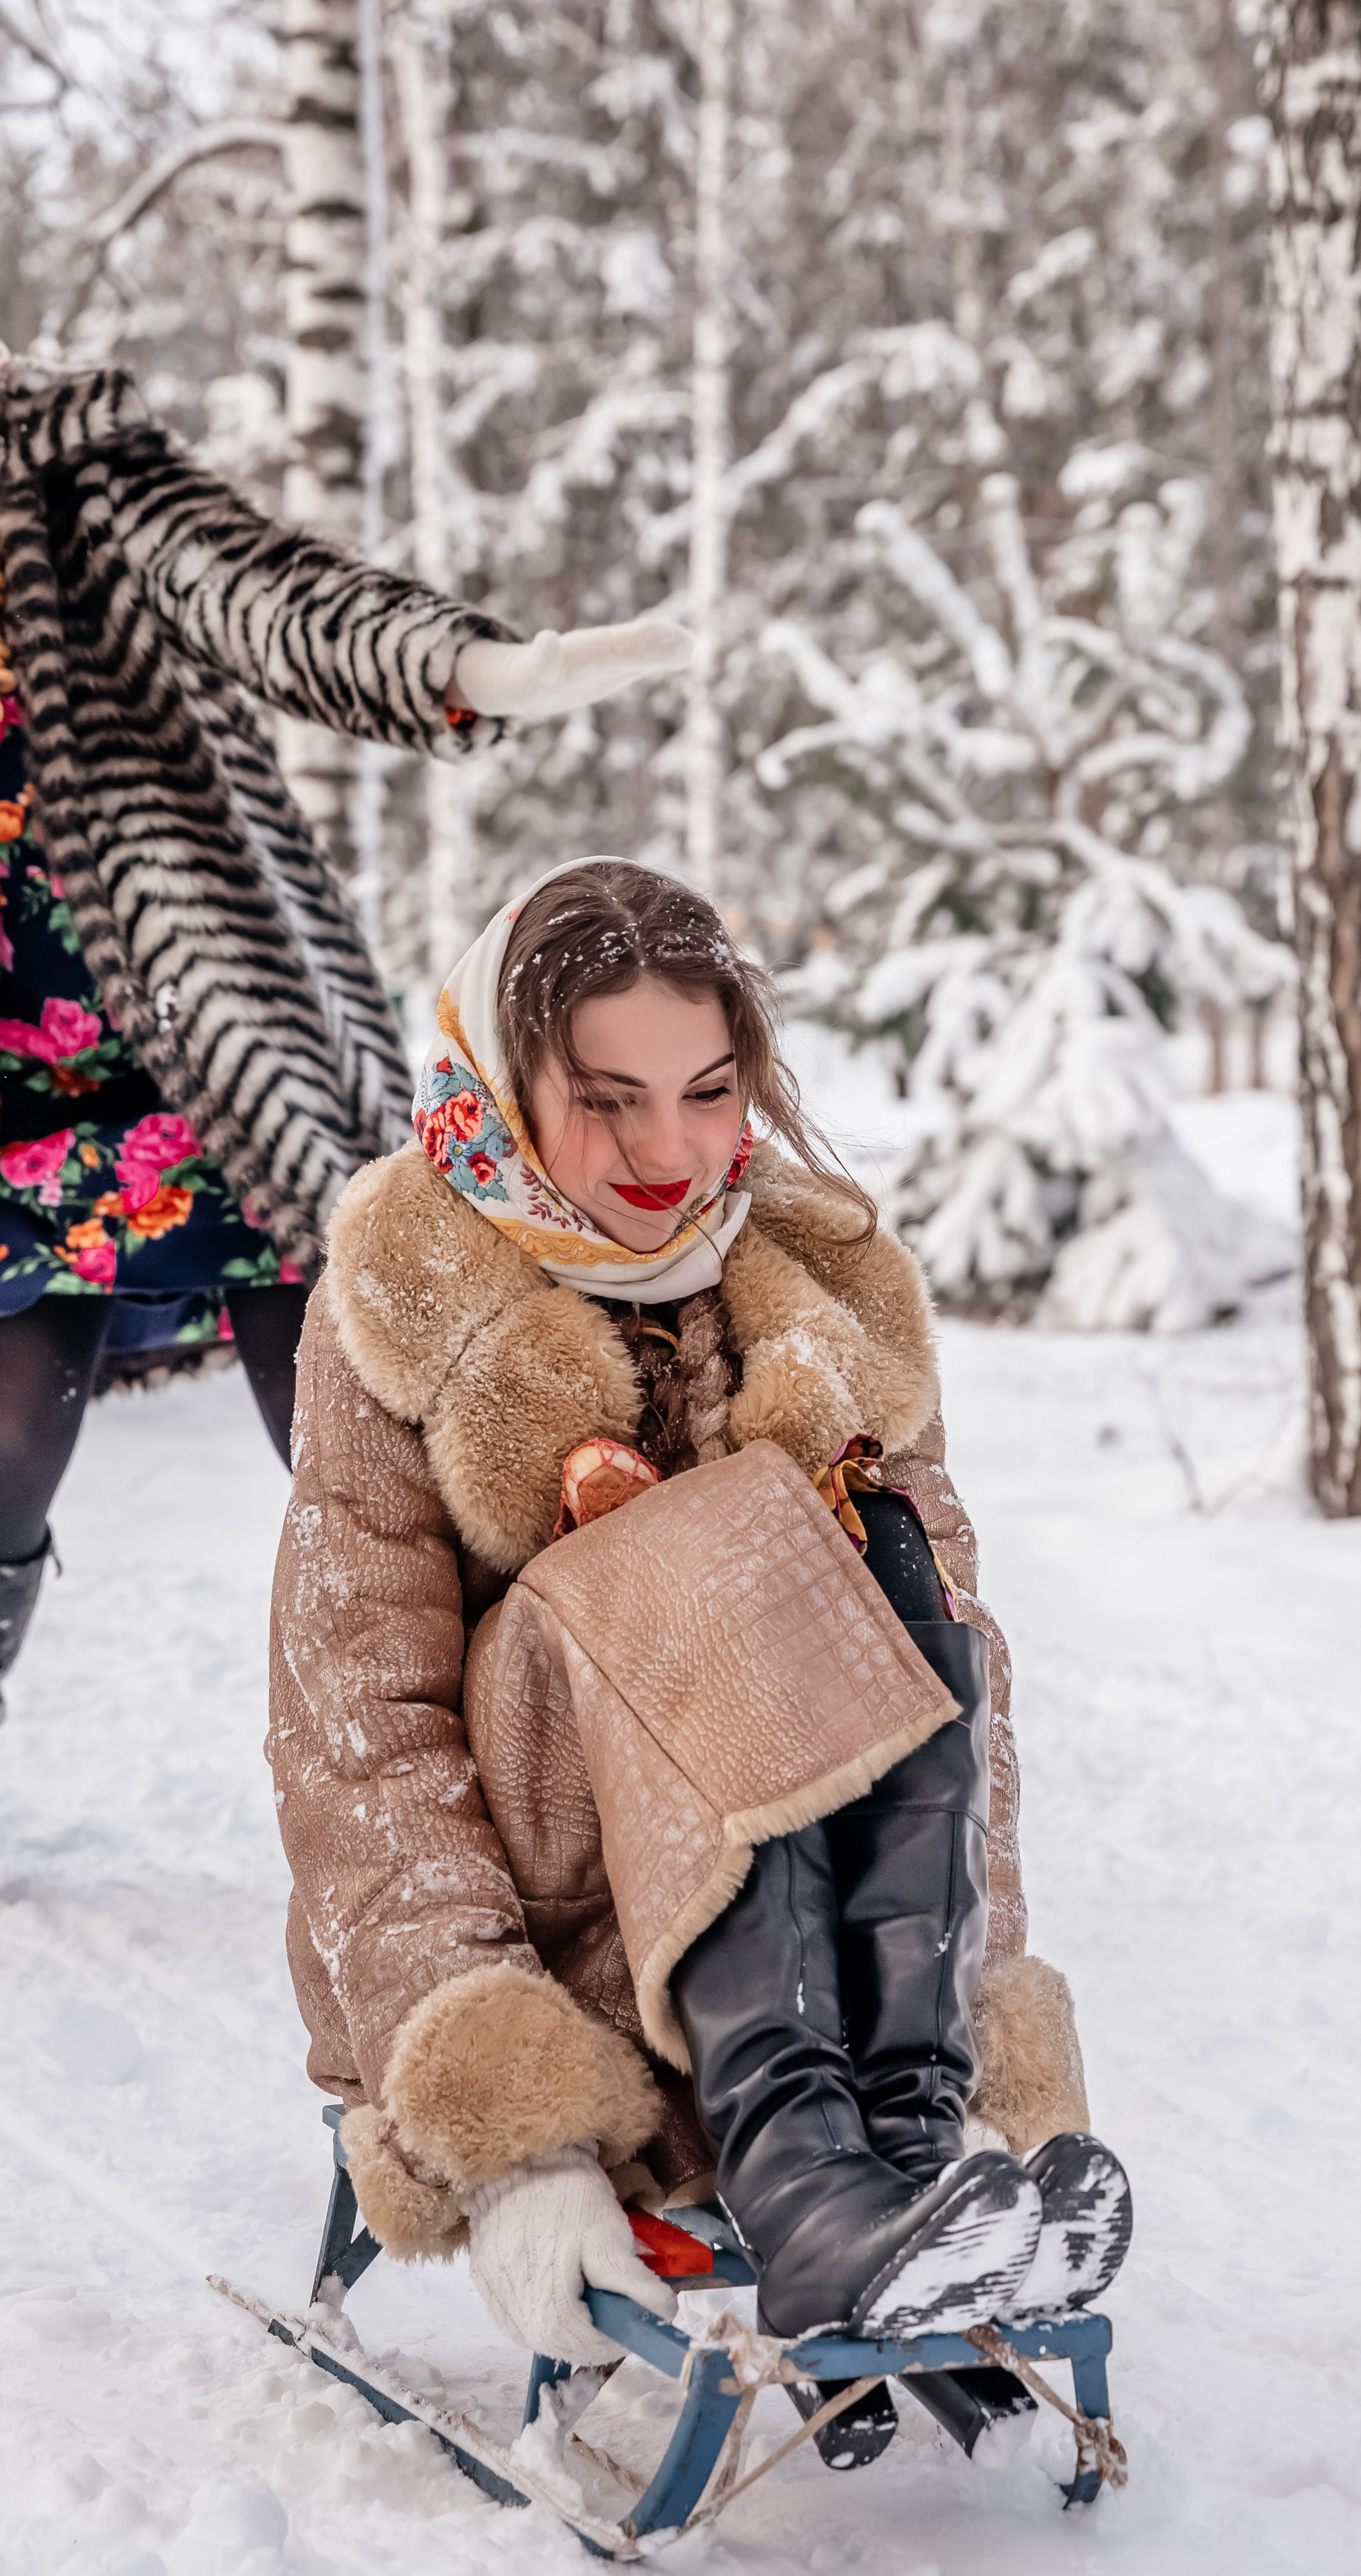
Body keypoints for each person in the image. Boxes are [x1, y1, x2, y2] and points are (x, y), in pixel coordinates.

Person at [0, 266, 689, 1919]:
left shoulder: (88, 481)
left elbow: (268, 598)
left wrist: (475, 669)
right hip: (12, 1098)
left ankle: (548, 1772)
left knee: (362, 1432)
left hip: (226, 1056)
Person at [267, 857, 1132, 2456]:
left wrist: (973, 1989)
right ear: (506, 1090)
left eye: (708, 1091)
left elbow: (958, 1692)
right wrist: (504, 2115)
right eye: (606, 1103)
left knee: (883, 1556)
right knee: (719, 1528)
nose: (669, 1154)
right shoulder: (393, 1305)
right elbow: (356, 1731)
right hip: (559, 1904)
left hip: (839, 1927)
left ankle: (897, 2147)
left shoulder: (816, 1295)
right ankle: (810, 2186)